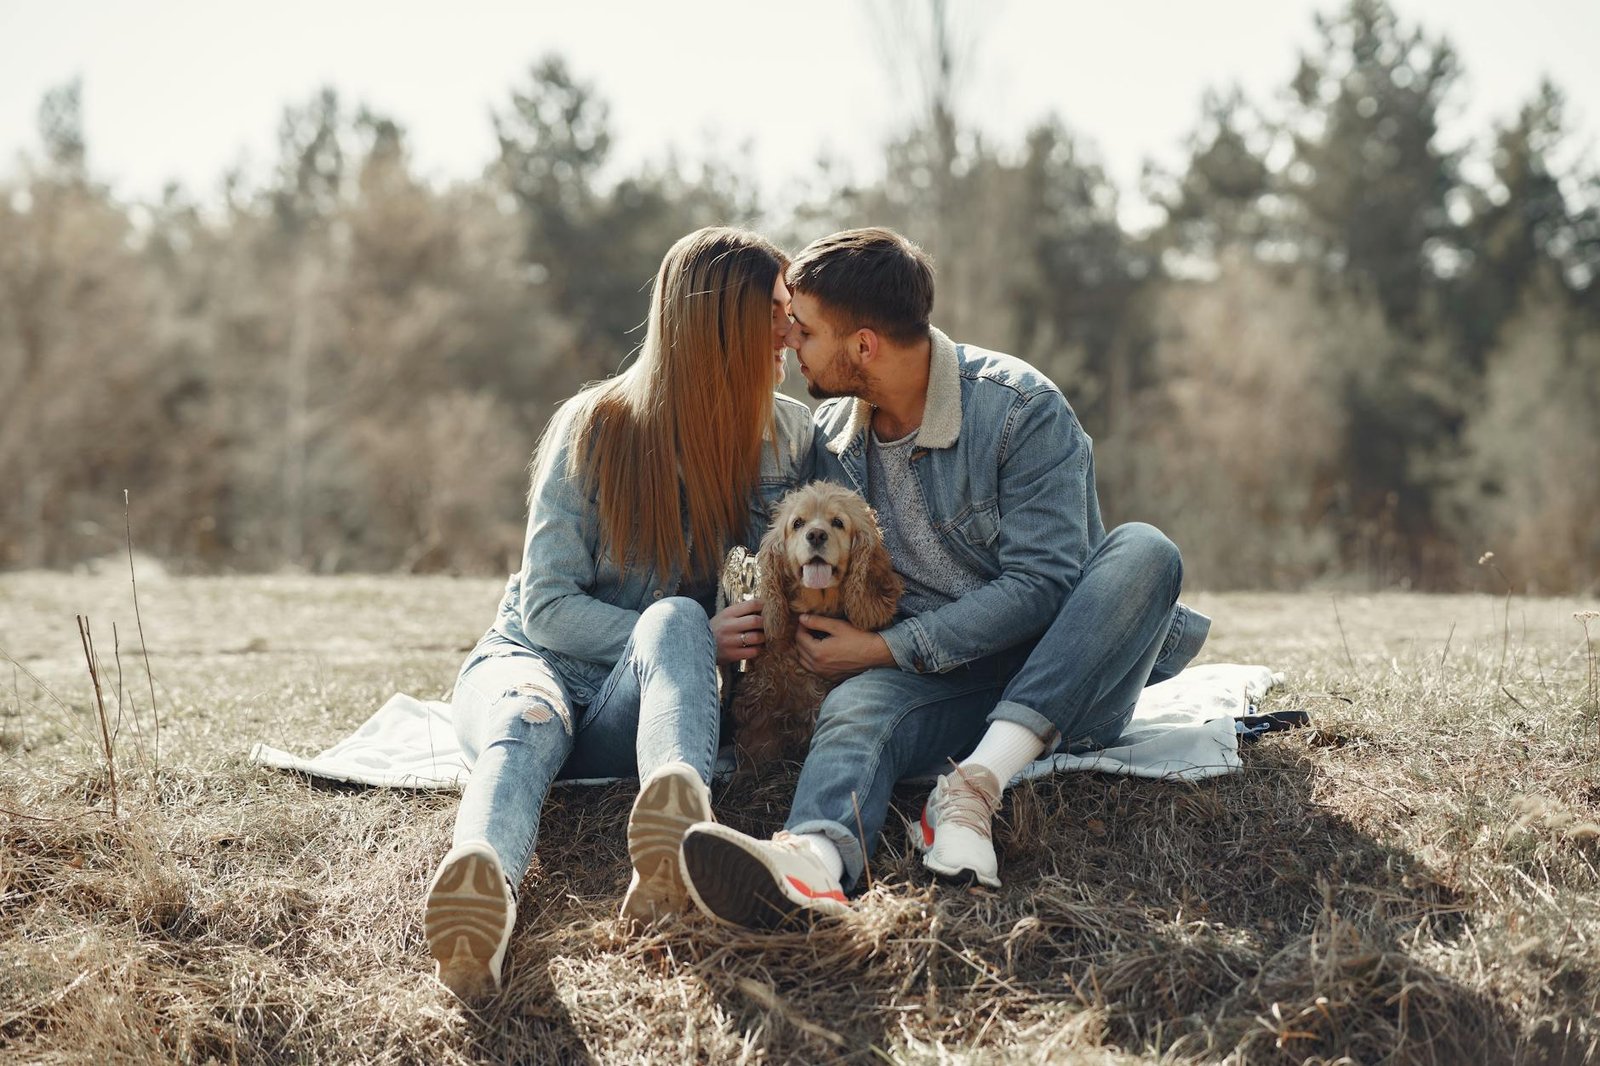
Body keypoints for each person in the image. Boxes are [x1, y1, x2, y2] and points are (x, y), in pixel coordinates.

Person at [679, 227, 1211, 929]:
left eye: (802, 332)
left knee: (1147, 551)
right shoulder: (832, 438)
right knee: (858, 707)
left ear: (863, 345)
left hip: (1064, 674)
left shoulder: (1021, 410)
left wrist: (885, 649)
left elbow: (1043, 585)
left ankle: (974, 788)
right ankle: (812, 856)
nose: (788, 344)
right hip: (938, 684)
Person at [423, 226, 812, 997]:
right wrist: (702, 637)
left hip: (634, 703)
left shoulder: (781, 434)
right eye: (773, 309)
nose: (790, 330)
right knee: (526, 720)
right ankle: (482, 898)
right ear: (720, 322)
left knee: (670, 619)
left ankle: (672, 841)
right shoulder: (595, 427)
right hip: (533, 662)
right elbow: (546, 607)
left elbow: (782, 569)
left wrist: (717, 634)